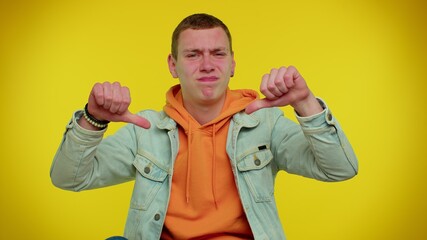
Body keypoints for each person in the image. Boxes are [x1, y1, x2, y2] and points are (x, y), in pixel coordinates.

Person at [50, 13, 358, 240]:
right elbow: (68, 178)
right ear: (173, 65)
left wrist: (305, 102)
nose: (207, 64)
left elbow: (340, 169)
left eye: (218, 53)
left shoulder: (265, 124)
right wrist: (93, 119)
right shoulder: (145, 130)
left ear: (233, 63)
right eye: (193, 54)